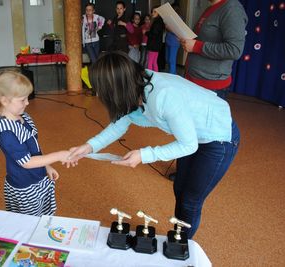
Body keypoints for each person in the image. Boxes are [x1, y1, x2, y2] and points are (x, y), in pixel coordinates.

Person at [67, 51, 240, 238]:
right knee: (180, 188)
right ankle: (179, 234)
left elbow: (188, 145)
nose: (99, 94)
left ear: (116, 87)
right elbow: (117, 125)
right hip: (193, 136)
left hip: (219, 137)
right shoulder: (134, 86)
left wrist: (144, 155)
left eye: (101, 88)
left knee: (191, 200)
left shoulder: (163, 95)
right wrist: (88, 147)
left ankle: (180, 245)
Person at [0, 70, 70, 216]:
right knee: (29, 222)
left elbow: (34, 149)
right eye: (22, 100)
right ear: (5, 101)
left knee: (43, 215)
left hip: (39, 177)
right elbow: (27, 162)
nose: (28, 102)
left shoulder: (23, 116)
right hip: (25, 186)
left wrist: (46, 166)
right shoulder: (7, 134)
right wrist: (58, 155)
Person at [180, 0, 248, 100]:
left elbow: (234, 50)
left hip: (210, 86)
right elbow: (204, 39)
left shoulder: (232, 9)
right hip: (194, 79)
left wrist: (196, 46)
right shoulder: (211, 7)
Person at [145, 6, 164, 71]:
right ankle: (156, 78)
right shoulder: (160, 21)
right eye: (152, 11)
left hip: (153, 46)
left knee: (150, 62)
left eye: (155, 12)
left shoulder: (157, 22)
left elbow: (153, 35)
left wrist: (146, 32)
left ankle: (150, 78)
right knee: (154, 62)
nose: (152, 13)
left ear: (159, 13)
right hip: (157, 46)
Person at [165, 4, 181, 74]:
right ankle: (170, 74)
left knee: (172, 60)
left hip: (174, 43)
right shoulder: (170, 18)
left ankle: (173, 76)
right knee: (167, 59)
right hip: (168, 41)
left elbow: (178, 31)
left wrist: (168, 28)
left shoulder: (178, 18)